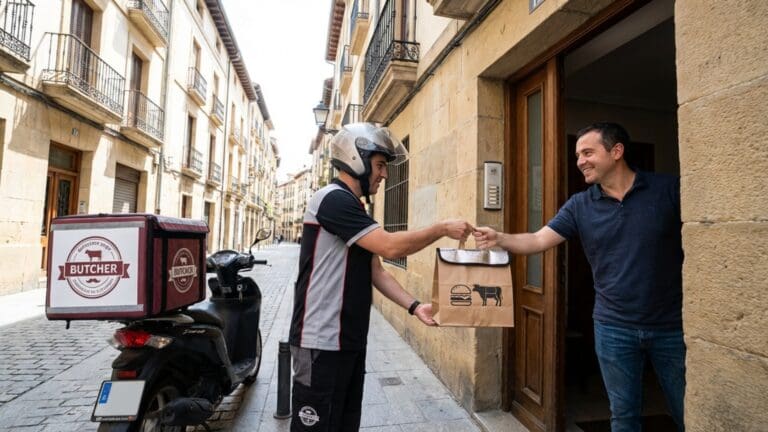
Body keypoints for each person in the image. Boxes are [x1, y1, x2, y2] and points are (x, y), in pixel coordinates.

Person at [474, 122, 685, 432]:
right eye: (577, 155)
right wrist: (499, 238)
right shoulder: (579, 206)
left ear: (616, 152)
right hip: (613, 327)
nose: (580, 161)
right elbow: (537, 241)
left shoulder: (668, 190)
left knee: (688, 411)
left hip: (671, 327)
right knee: (624, 417)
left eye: (588, 152)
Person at [289, 122, 473, 431]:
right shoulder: (332, 199)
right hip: (320, 343)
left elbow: (376, 270)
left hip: (347, 339)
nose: (384, 174)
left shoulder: (355, 209)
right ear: (355, 159)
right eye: (379, 165)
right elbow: (388, 247)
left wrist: (415, 306)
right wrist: (441, 228)